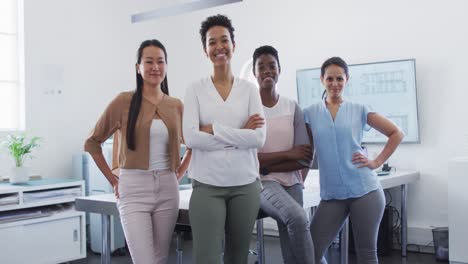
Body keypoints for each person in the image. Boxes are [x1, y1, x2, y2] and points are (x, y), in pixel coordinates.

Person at [84, 39, 191, 264]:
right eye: (149, 61)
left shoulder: (176, 105)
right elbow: (93, 143)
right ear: (138, 67)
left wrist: (178, 174)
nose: (155, 67)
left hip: (168, 189)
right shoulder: (123, 101)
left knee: (160, 259)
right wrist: (113, 180)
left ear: (166, 66)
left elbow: (193, 144)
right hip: (133, 189)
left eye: (160, 61)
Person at [304, 57, 405, 264]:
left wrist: (376, 162)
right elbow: (307, 152)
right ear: (322, 79)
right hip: (332, 195)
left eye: (339, 79)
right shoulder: (309, 113)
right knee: (309, 252)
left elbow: (396, 133)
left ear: (347, 79)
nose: (334, 84)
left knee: (366, 254)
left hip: (365, 190)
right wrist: (299, 180)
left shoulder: (359, 109)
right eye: (329, 78)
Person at [183, 14, 266, 264]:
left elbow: (259, 138)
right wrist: (241, 133)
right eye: (212, 42)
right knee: (206, 258)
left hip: (245, 185)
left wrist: (214, 129)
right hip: (207, 185)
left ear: (234, 45)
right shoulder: (195, 89)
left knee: (237, 258)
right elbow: (191, 139)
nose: (219, 47)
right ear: (205, 50)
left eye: (224, 40)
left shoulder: (250, 89)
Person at [253, 45, 315, 264]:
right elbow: (250, 162)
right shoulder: (250, 109)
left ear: (279, 70)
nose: (267, 70)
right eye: (261, 67)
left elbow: (304, 158)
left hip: (293, 182)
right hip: (263, 183)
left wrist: (267, 163)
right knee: (298, 218)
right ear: (255, 73)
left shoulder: (292, 107)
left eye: (272, 66)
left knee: (291, 249)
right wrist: (289, 154)